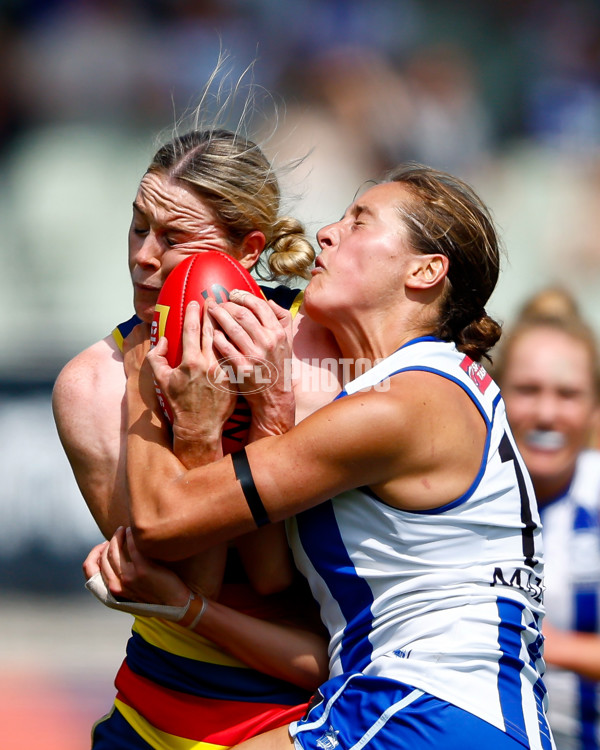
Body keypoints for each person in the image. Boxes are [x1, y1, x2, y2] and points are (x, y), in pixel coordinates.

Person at [89, 164, 554, 750]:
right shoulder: (406, 389)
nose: (327, 232)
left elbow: (163, 517)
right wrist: (188, 608)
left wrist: (144, 363)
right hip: (440, 712)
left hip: (426, 711)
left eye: (360, 222)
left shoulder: (403, 406)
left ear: (425, 270)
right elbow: (288, 602)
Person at [53, 126, 340, 749]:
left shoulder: (323, 354)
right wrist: (196, 429)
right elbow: (175, 572)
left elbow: (280, 580)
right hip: (157, 713)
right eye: (137, 226)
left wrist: (261, 404)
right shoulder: (91, 385)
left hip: (314, 713)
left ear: (249, 249)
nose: (143, 256)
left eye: (174, 238)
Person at [495, 288, 600, 750]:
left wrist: (534, 639)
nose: (546, 413)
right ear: (495, 392)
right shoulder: (451, 497)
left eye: (568, 394)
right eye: (528, 390)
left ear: (595, 407)